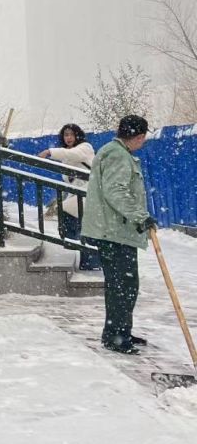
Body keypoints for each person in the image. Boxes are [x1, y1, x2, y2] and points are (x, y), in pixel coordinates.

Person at [80, 115, 157, 355]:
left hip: (114, 230)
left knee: (122, 284)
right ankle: (116, 336)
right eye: (143, 139)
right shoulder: (118, 155)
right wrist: (140, 216)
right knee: (123, 285)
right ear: (139, 137)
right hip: (113, 231)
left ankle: (120, 331)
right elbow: (116, 191)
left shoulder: (113, 151)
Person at [38, 123, 99, 270]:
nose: (69, 138)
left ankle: (90, 259)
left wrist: (49, 152)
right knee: (85, 228)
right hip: (79, 195)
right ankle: (88, 260)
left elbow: (74, 155)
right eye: (66, 135)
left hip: (91, 193)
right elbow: (71, 181)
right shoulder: (66, 154)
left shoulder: (85, 147)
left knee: (84, 226)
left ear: (78, 135)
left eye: (72, 134)